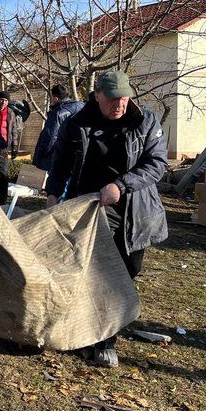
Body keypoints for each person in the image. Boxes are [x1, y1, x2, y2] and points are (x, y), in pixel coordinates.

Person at [46, 70, 168, 367]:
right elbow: (60, 161)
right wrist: (52, 195)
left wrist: (121, 185)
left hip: (134, 209)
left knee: (128, 270)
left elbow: (156, 163)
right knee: (96, 274)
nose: (119, 105)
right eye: (113, 99)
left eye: (124, 98)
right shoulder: (77, 123)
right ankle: (102, 339)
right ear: (98, 95)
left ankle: (102, 330)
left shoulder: (145, 121)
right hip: (91, 208)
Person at [32, 84, 84, 172]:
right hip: (79, 156)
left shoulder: (58, 113)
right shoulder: (82, 107)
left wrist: (39, 155)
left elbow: (50, 137)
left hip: (60, 157)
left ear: (56, 98)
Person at [0, 91, 21, 204]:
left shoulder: (10, 113)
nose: (3, 102)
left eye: (5, 100)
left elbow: (14, 130)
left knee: (3, 174)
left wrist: (15, 146)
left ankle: (1, 200)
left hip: (3, 147)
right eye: (1, 99)